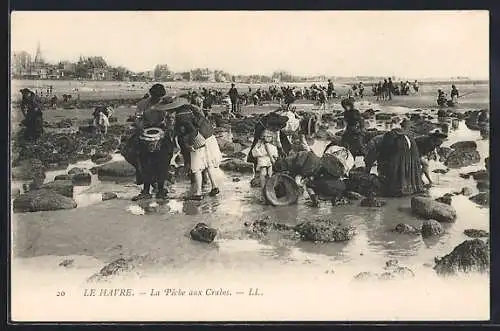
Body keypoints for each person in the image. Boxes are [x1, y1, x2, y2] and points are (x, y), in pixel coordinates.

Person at [124, 84, 176, 201]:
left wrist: (167, 128)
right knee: (145, 164)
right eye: (155, 97)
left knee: (163, 164)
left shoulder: (166, 104)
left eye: (159, 97)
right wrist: (142, 128)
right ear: (151, 95)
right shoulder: (142, 104)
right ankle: (146, 190)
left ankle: (161, 190)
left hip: (163, 136)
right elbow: (137, 118)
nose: (157, 99)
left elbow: (171, 119)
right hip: (145, 135)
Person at [174, 103, 222, 200]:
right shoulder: (193, 111)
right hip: (209, 138)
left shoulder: (181, 114)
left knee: (196, 168)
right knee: (208, 164)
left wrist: (190, 144)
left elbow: (191, 129)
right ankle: (214, 187)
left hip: (198, 140)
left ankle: (198, 193)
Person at [376, 120, 425, 197]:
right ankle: (411, 187)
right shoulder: (409, 136)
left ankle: (400, 189)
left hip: (399, 158)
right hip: (407, 158)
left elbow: (386, 149)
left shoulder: (394, 135)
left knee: (399, 172)